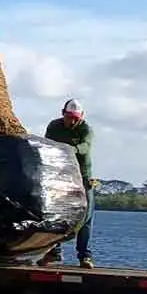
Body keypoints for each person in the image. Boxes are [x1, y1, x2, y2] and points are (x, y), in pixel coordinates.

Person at [42, 99, 97, 268]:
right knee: (56, 214)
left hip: (82, 176)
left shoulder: (85, 129)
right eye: (68, 117)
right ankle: (54, 253)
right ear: (62, 113)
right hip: (60, 175)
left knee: (86, 218)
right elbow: (47, 144)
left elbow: (86, 146)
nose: (72, 121)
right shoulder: (54, 127)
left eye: (75, 118)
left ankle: (84, 256)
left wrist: (71, 149)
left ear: (81, 117)